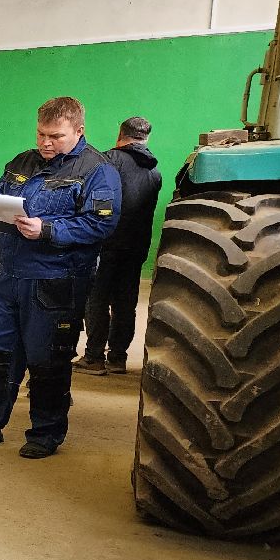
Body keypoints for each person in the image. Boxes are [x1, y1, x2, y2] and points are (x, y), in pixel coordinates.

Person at [0, 97, 121, 458]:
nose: (46, 143)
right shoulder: (23, 161)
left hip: (56, 283)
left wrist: (48, 229)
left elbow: (102, 222)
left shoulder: (97, 170)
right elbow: (0, 192)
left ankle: (45, 433)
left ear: (79, 131)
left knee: (47, 360)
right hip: (9, 277)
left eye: (56, 136)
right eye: (41, 133)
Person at [73, 117, 162, 375]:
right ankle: (118, 358)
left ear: (120, 135)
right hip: (136, 245)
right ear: (146, 138)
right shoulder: (154, 172)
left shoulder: (107, 161)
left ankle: (94, 358)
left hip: (106, 242)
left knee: (96, 299)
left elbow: (100, 201)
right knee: (126, 301)